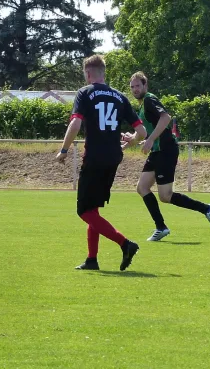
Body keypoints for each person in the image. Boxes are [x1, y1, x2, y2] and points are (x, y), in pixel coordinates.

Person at [56, 55, 147, 271]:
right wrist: (130, 142)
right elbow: (142, 131)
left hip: (95, 156)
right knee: (93, 210)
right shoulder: (119, 96)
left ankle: (125, 244)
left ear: (88, 74)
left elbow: (76, 123)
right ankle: (92, 259)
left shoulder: (85, 93)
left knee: (84, 212)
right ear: (104, 73)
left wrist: (64, 150)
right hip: (114, 157)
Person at [123, 72, 210, 242]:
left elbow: (166, 117)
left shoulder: (150, 99)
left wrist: (150, 139)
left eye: (138, 86)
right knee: (142, 187)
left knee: (165, 196)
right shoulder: (143, 106)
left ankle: (206, 209)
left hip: (166, 149)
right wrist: (127, 144)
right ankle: (161, 227)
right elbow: (143, 134)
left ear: (145, 86)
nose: (135, 89)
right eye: (132, 87)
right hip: (157, 151)